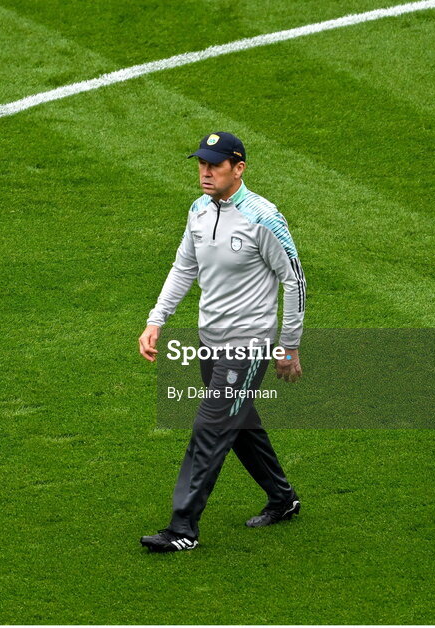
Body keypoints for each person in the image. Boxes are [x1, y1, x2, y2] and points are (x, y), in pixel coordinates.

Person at [137, 131, 306, 553]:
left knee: (210, 428)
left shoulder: (263, 218)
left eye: (215, 164)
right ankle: (283, 500)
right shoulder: (198, 210)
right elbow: (182, 269)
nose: (206, 171)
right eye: (201, 163)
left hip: (248, 344)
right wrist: (156, 320)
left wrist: (287, 345)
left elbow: (295, 281)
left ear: (239, 168)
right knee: (241, 424)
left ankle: (182, 529)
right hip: (209, 340)